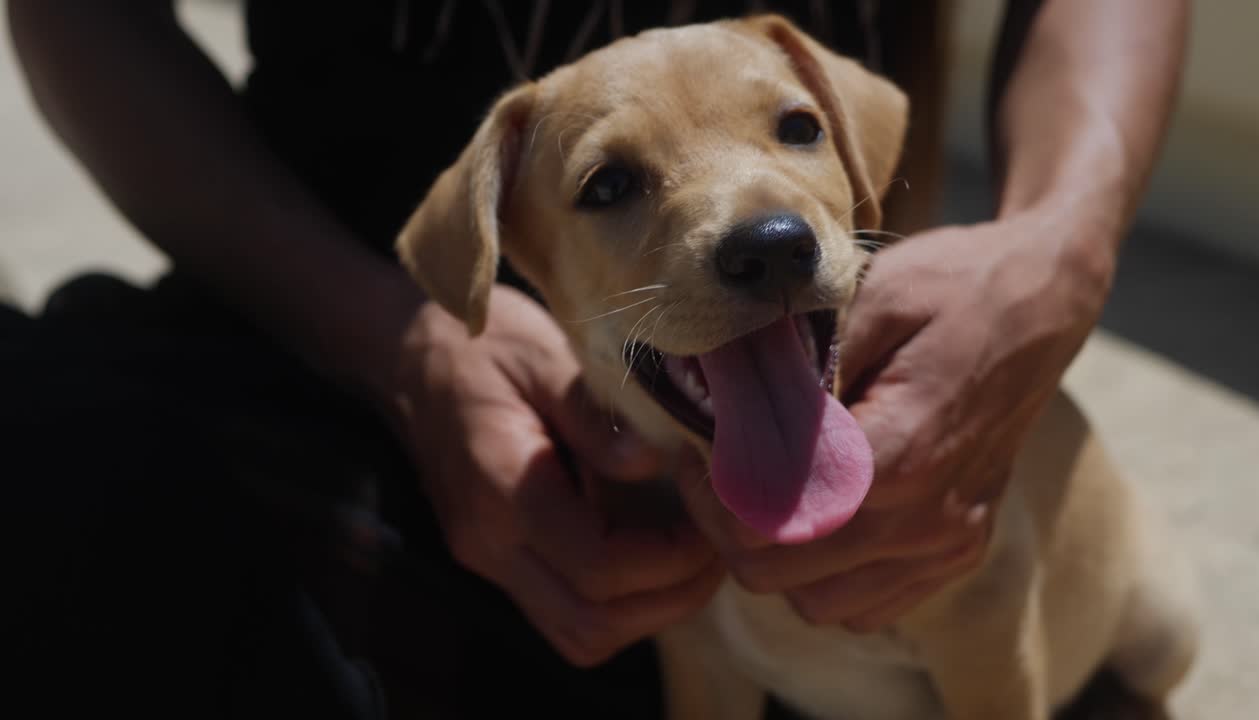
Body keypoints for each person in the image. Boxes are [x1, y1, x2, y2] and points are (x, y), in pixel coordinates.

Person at [3, 1, 1187, 717]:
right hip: (332, 329)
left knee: (1139, 629)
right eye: (611, 184)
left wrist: (1060, 243)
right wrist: (392, 346)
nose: (757, 228)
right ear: (504, 246)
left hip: (1021, 657)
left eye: (793, 128)